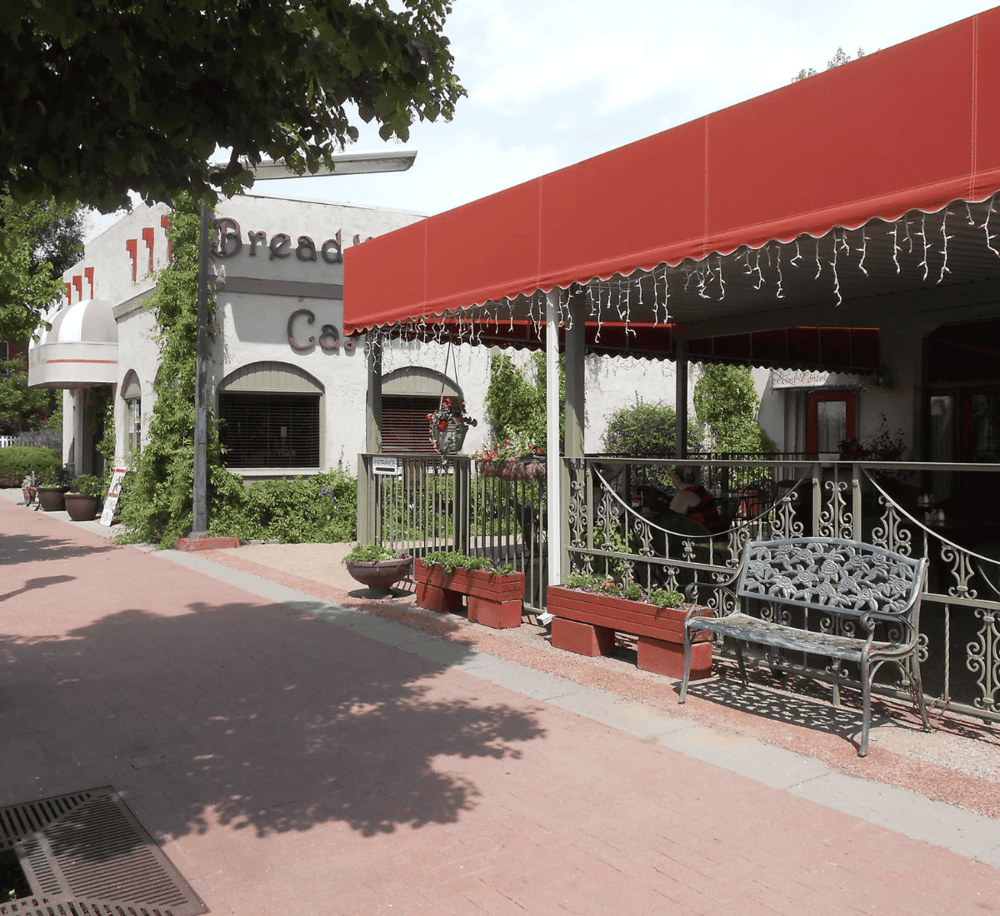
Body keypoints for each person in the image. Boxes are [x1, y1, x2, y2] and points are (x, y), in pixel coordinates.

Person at [669, 466, 724, 535]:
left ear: (676, 477)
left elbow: (670, 524)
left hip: (703, 541)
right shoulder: (700, 490)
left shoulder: (684, 495)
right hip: (715, 536)